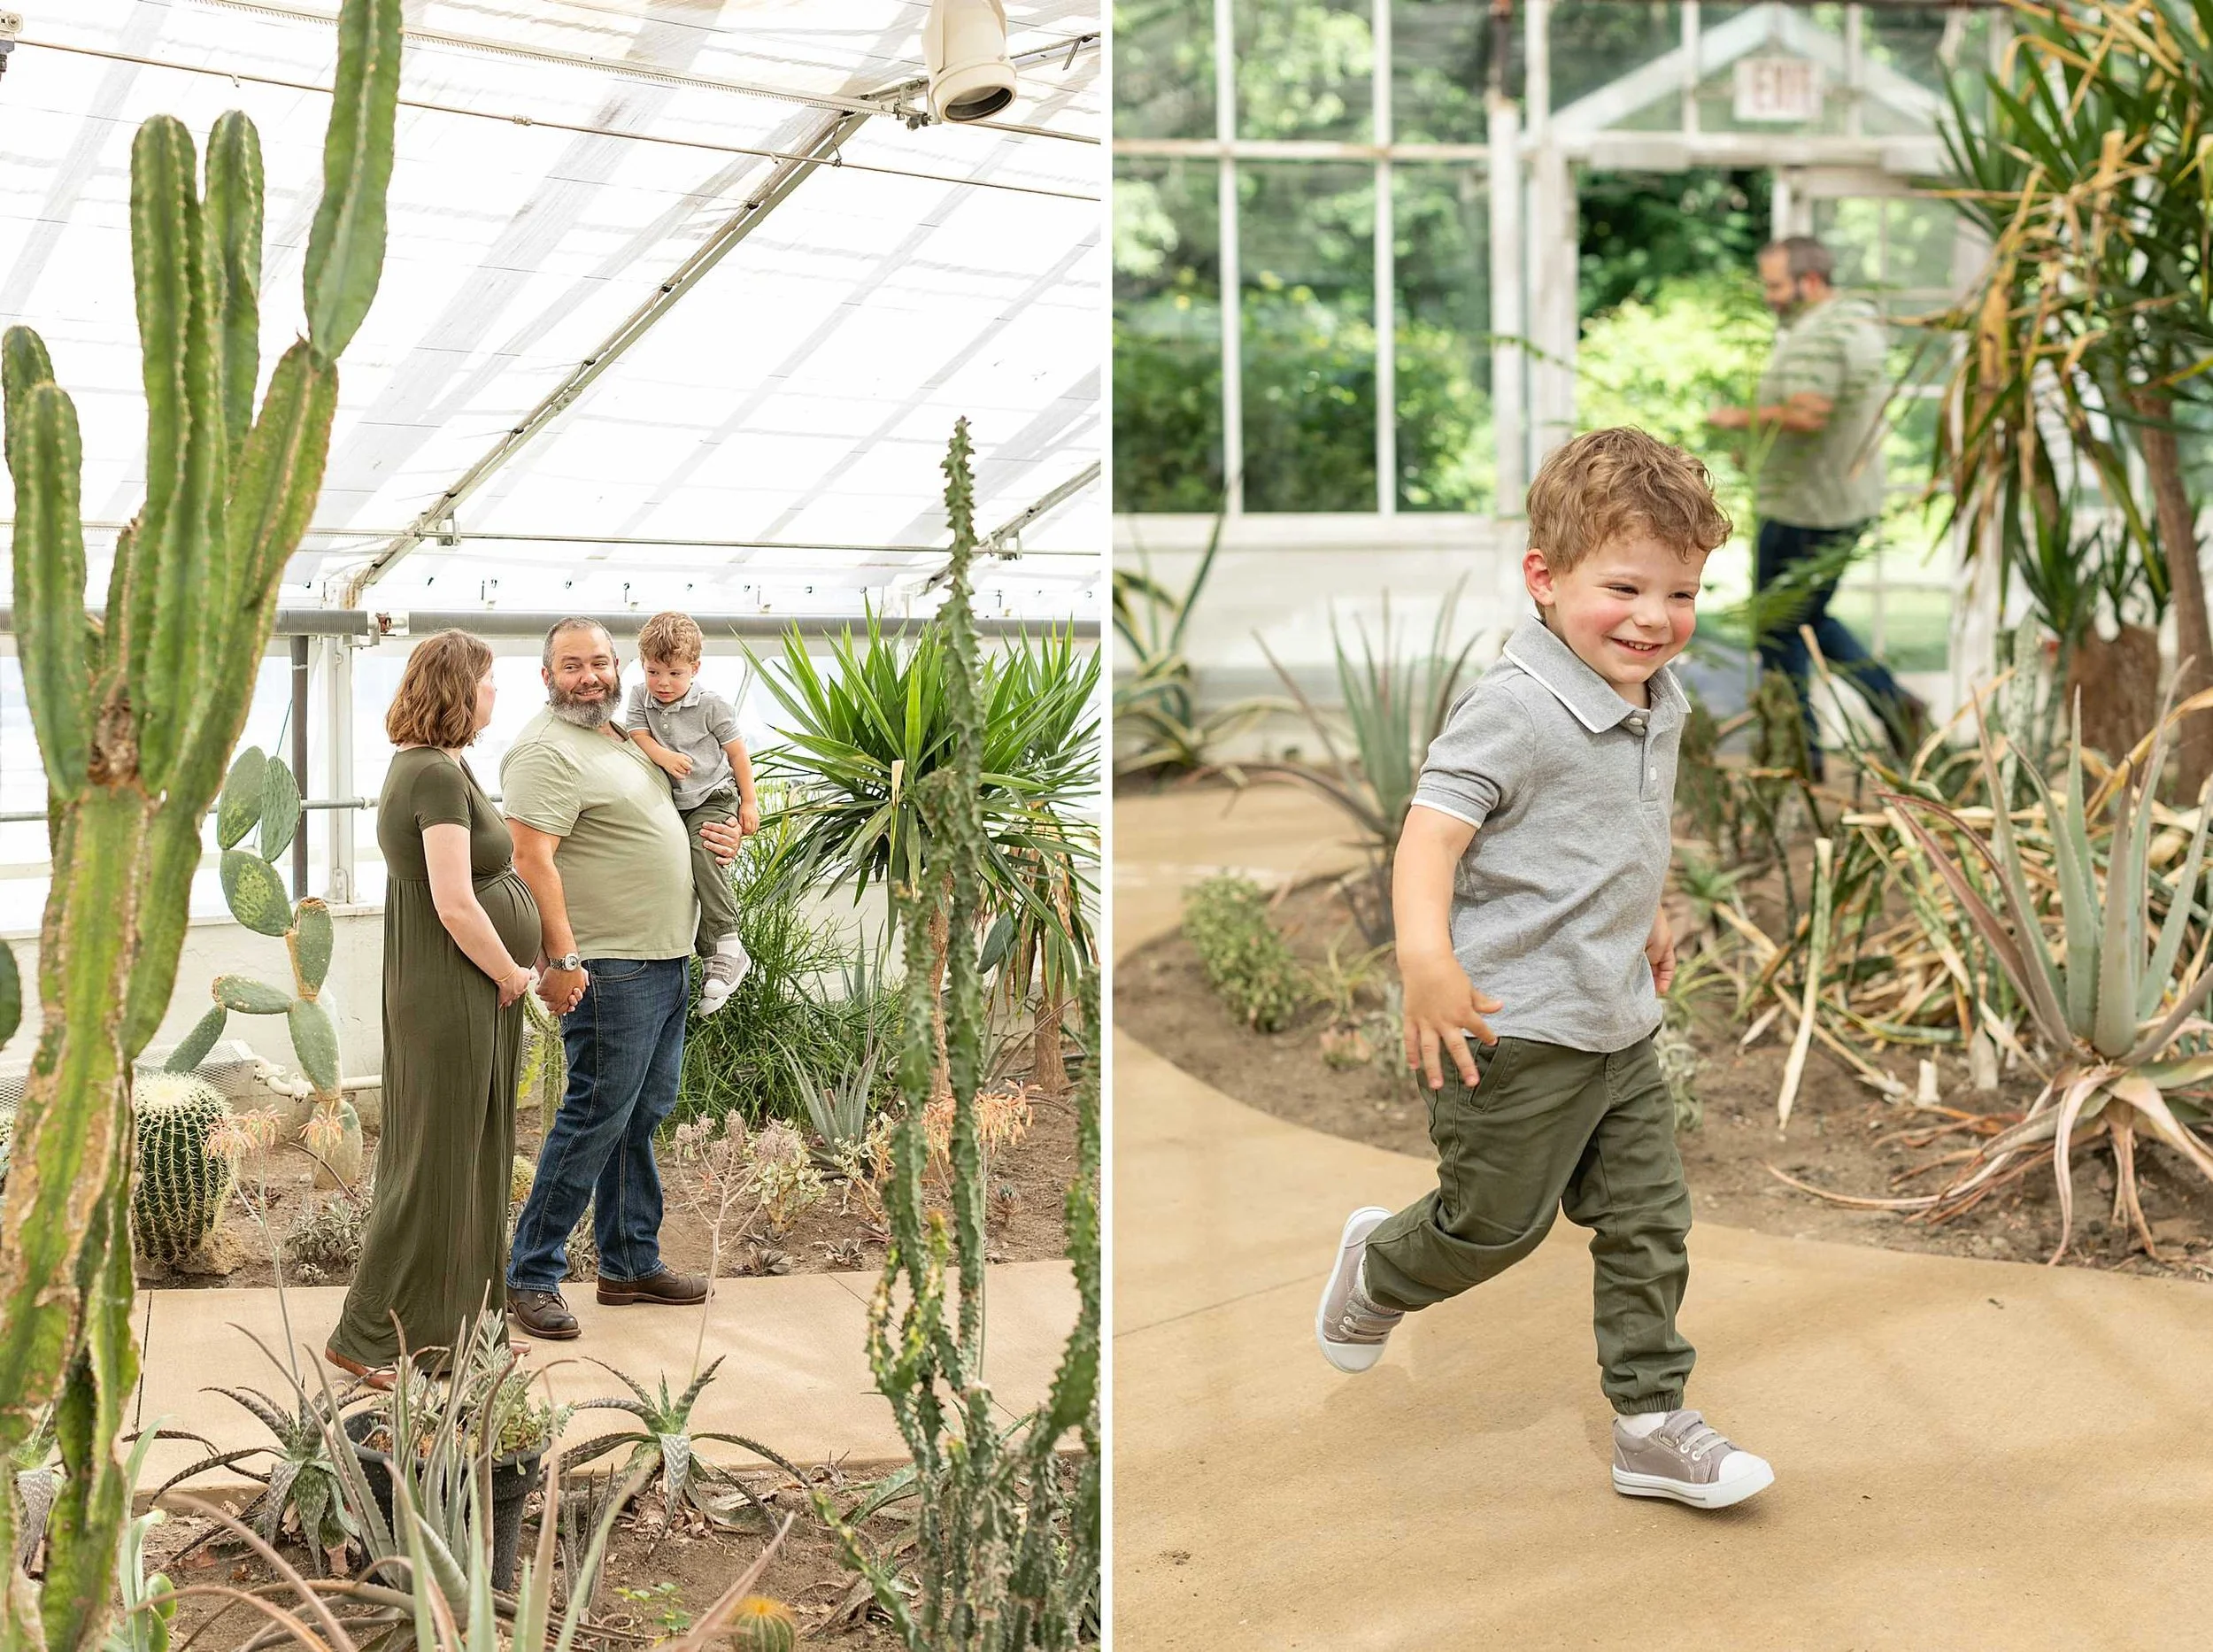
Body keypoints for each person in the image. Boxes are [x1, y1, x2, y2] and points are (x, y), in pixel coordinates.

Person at [1314, 428, 1776, 1510]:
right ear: (1545, 577)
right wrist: (1426, 959)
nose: (1655, 619)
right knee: (1493, 1229)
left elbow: (1627, 825)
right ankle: (1380, 1269)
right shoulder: (1514, 708)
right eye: (1624, 586)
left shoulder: (1658, 697)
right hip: (1511, 1030)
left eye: (1683, 592)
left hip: (1617, 1025)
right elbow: (1430, 834)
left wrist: (1650, 913)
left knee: (1650, 1219)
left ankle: (1652, 1424)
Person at [501, 619, 743, 1341]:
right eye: (572, 666)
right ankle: (530, 1275)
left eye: (601, 663)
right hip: (609, 967)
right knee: (594, 1118)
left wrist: (729, 832)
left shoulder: (618, 736)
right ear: (546, 675)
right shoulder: (545, 750)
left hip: (665, 957)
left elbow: (685, 811)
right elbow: (530, 859)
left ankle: (629, 1262)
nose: (590, 677)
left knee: (640, 1116)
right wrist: (564, 959)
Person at [327, 630, 541, 1387]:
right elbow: (453, 901)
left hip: (460, 985)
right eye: (487, 682)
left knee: (472, 1158)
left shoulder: (441, 765)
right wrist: (513, 972)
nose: (494, 696)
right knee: (434, 1164)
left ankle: (460, 1333)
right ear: (457, 689)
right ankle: (370, 1339)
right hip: (454, 987)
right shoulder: (434, 777)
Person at [1708, 234, 1928, 776]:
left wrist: (1739, 419)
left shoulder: (1825, 331)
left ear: (1809, 281)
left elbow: (1809, 413)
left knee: (1776, 627)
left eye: (1776, 285)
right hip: (1832, 500)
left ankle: (1800, 758)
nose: (1769, 296)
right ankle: (1890, 705)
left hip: (1808, 509)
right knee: (1805, 618)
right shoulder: (1849, 325)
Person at [622, 611, 761, 1015]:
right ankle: (710, 954)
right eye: (654, 672)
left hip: (713, 796)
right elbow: (637, 733)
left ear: (695, 669)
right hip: (675, 800)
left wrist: (748, 803)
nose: (663, 683)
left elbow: (738, 754)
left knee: (705, 853)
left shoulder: (712, 705)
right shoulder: (639, 697)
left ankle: (728, 941)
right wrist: (664, 757)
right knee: (679, 867)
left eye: (674, 673)